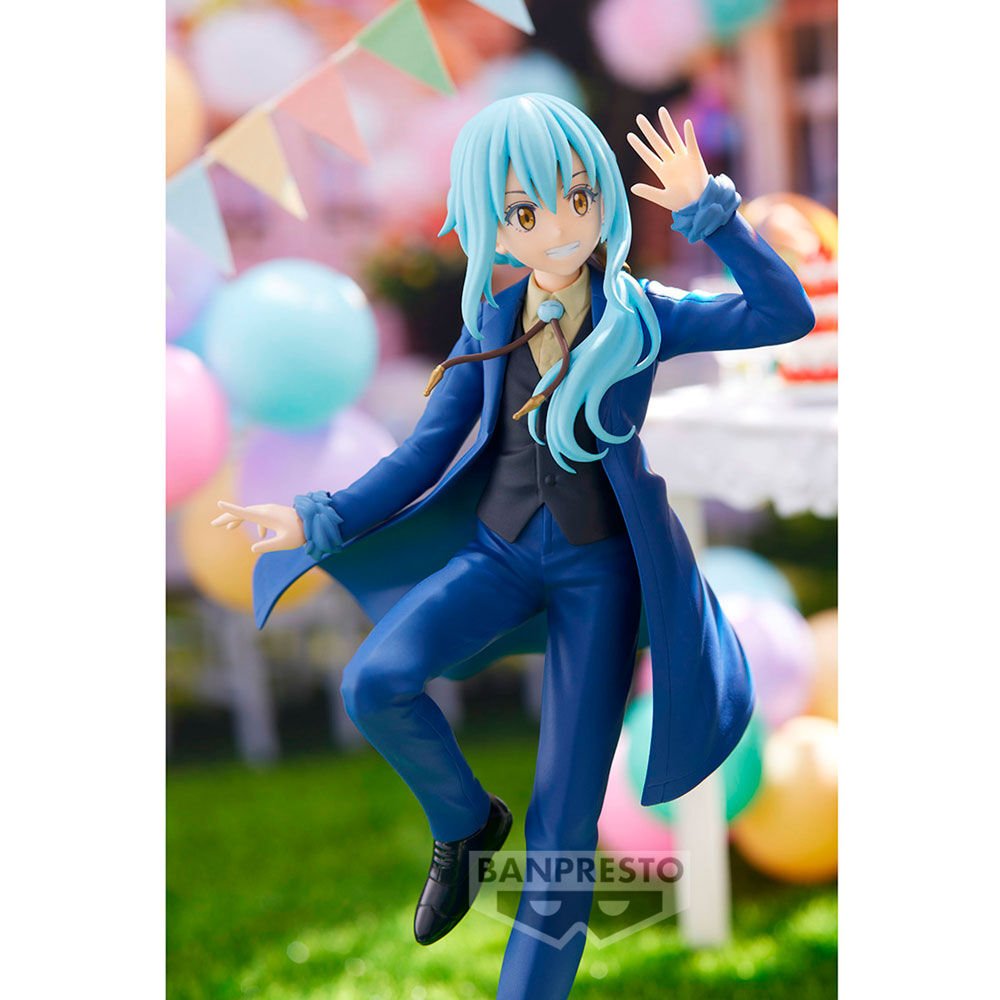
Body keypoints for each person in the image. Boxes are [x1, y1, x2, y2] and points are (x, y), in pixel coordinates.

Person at [212, 94, 814, 1000]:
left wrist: (710, 212)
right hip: (496, 556)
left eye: (578, 198)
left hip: (600, 578)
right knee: (375, 681)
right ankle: (465, 822)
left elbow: (782, 314)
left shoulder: (642, 313)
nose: (560, 228)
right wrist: (320, 517)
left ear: (603, 196)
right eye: (526, 213)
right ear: (492, 227)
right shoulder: (492, 322)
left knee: (563, 824)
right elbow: (424, 452)